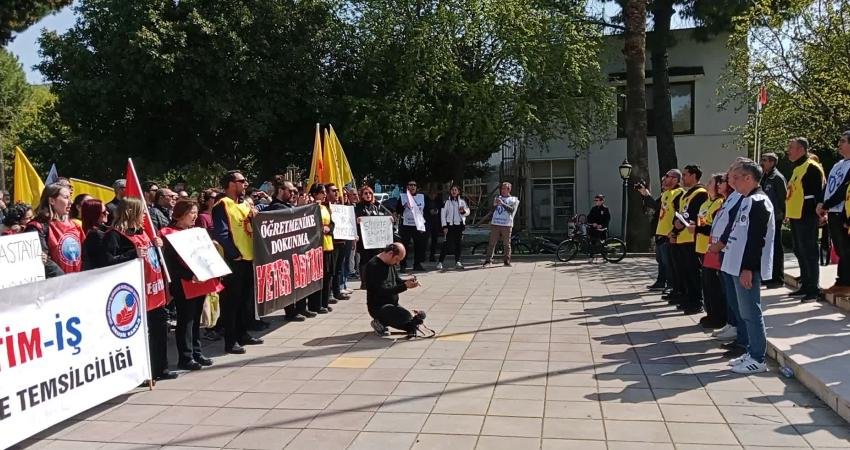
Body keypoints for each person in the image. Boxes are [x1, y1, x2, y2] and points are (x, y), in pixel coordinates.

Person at [103, 197, 175, 380]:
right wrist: (131, 254)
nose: (145, 215)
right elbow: (108, 262)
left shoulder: (143, 232)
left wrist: (159, 247)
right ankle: (143, 372)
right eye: (142, 212)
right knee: (140, 335)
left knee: (159, 330)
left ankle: (161, 368)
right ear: (131, 212)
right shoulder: (114, 235)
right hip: (134, 294)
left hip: (155, 291)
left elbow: (154, 260)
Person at [722, 159, 774, 374]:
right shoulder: (746, 199)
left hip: (746, 267)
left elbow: (756, 239)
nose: (731, 181)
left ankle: (758, 358)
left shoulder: (759, 201)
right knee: (745, 312)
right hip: (736, 263)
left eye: (736, 177)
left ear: (748, 178)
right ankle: (752, 350)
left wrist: (748, 269)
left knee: (751, 312)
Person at [161, 200, 220, 370]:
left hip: (200, 281)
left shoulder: (195, 232)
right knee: (185, 321)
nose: (195, 216)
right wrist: (189, 275)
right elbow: (171, 264)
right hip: (184, 282)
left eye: (195, 212)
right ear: (180, 214)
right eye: (191, 213)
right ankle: (185, 357)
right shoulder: (168, 233)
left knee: (195, 320)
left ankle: (197, 352)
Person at [212, 170, 264, 354]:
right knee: (231, 303)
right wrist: (234, 254)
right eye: (242, 181)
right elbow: (222, 233)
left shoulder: (244, 205)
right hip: (235, 260)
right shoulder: (222, 205)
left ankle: (243, 333)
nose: (245, 184)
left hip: (249, 257)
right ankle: (230, 340)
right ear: (231, 184)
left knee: (245, 300)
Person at [265, 176, 315, 321]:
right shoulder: (276, 207)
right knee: (289, 283)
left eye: (295, 191)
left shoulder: (288, 206)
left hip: (297, 250)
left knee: (300, 280)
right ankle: (291, 311)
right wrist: (299, 208)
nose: (294, 193)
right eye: (291, 191)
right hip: (285, 252)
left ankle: (301, 307)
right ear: (281, 190)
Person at [786, 137, 826, 301]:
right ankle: (805, 284)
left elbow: (818, 193)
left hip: (807, 215)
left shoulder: (812, 167)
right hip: (796, 215)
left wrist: (818, 213)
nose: (788, 151)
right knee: (799, 250)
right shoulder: (797, 168)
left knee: (809, 251)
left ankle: (813, 288)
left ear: (801, 149)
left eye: (791, 147)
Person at [670, 165, 708, 314]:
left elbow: (694, 214)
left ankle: (696, 301)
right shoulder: (687, 194)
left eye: (685, 174)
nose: (683, 177)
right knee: (685, 271)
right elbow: (680, 213)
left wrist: (679, 225)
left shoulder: (700, 193)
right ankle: (688, 297)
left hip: (692, 238)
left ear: (693, 176)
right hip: (682, 237)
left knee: (693, 271)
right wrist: (675, 227)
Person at [691, 173, 728, 329]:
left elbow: (714, 227)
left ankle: (717, 316)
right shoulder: (706, 203)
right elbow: (702, 222)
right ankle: (710, 313)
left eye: (711, 182)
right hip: (701, 246)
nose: (708, 184)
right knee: (706, 283)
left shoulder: (720, 202)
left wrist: (698, 228)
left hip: (712, 248)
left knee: (713, 284)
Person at [365, 243, 424, 338]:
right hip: (379, 307)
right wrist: (405, 286)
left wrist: (408, 282)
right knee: (405, 316)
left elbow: (397, 281)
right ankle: (379, 322)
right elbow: (381, 290)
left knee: (410, 324)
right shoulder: (374, 266)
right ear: (390, 253)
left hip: (393, 304)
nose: (397, 263)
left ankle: (409, 324)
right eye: (397, 259)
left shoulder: (390, 263)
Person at [26, 184, 85, 277]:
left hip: (77, 284)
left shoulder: (75, 226)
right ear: (52, 200)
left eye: (70, 197)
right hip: (56, 286)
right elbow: (42, 261)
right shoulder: (36, 227)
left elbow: (84, 255)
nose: (71, 202)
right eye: (66, 197)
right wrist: (63, 279)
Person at [639, 171, 684, 292]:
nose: (663, 181)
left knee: (668, 261)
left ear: (675, 179)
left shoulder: (679, 193)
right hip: (661, 231)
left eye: (667, 178)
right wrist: (645, 194)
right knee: (661, 260)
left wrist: (674, 231)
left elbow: (679, 213)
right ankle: (661, 281)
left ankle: (671, 284)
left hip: (669, 233)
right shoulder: (666, 193)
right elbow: (656, 206)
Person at [817, 131, 850, 294]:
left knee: (845, 248)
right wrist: (821, 202)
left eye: (843, 141)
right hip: (832, 211)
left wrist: (826, 205)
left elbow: (843, 190)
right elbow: (829, 187)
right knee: (839, 247)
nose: (839, 144)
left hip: (844, 212)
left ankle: (845, 282)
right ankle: (842, 280)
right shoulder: (838, 165)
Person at [355, 185, 394, 287]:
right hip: (364, 240)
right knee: (365, 260)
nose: (368, 195)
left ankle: (375, 280)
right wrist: (357, 220)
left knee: (375, 259)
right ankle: (364, 282)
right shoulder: (358, 207)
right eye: (366, 193)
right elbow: (352, 221)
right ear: (361, 195)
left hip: (376, 240)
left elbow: (384, 218)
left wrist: (389, 219)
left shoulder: (376, 206)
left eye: (370, 193)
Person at [759, 153, 787, 288]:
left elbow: (783, 198)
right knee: (767, 247)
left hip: (775, 217)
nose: (762, 163)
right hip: (765, 218)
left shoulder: (777, 177)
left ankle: (778, 277)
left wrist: (783, 214)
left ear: (772, 162)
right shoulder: (764, 177)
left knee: (776, 247)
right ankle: (768, 276)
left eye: (764, 160)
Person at [306, 183, 335, 314]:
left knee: (328, 275)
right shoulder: (311, 207)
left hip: (328, 245)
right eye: (322, 192)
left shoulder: (325, 207)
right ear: (314, 194)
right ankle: (315, 305)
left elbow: (332, 223)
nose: (324, 195)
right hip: (317, 246)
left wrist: (329, 228)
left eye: (325, 192)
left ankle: (324, 302)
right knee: (318, 276)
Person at [483, 181, 520, 268]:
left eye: (504, 188)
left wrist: (502, 204)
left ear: (509, 189)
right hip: (496, 223)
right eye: (501, 188)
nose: (502, 190)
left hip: (506, 224)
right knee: (492, 243)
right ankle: (488, 260)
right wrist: (495, 205)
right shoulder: (497, 197)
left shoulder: (513, 199)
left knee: (507, 244)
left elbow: (512, 210)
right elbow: (492, 210)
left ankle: (507, 261)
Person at [326, 183, 350, 301]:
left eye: (337, 191)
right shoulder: (325, 206)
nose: (336, 193)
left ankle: (337, 291)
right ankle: (329, 293)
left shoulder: (340, 205)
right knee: (331, 269)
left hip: (342, 240)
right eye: (333, 191)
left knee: (339, 268)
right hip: (332, 242)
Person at [396, 180, 427, 271]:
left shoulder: (421, 197)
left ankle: (417, 264)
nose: (413, 187)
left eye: (414, 185)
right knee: (404, 245)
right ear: (407, 187)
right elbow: (397, 210)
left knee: (419, 245)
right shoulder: (403, 197)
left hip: (418, 225)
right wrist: (404, 206)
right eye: (410, 185)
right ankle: (403, 265)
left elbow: (425, 210)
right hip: (406, 225)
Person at [437, 184, 469, 270]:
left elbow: (467, 212)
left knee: (458, 244)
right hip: (449, 226)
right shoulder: (447, 202)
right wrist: (444, 226)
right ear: (450, 192)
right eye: (452, 190)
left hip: (458, 225)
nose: (454, 191)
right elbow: (443, 215)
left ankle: (457, 261)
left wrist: (463, 211)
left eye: (456, 190)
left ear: (458, 192)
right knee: (446, 243)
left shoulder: (462, 202)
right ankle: (440, 262)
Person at [81, 199, 110, 270]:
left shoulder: (90, 232)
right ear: (95, 214)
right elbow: (107, 260)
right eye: (104, 212)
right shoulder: (95, 235)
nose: (107, 213)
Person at [426, 189, 443, 262]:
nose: (433, 196)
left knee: (434, 240)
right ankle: (423, 255)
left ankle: (432, 256)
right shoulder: (426, 200)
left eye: (434, 194)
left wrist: (437, 211)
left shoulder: (438, 201)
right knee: (425, 239)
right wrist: (429, 211)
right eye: (431, 194)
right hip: (427, 222)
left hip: (436, 222)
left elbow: (442, 208)